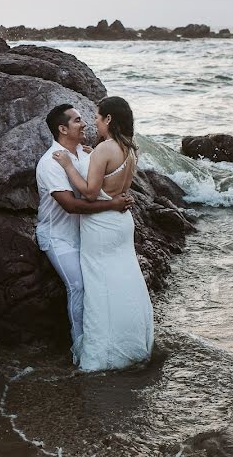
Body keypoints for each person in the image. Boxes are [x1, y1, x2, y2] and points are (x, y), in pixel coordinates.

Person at [52, 96, 154, 371]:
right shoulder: (130, 148)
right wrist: (88, 155)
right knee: (125, 279)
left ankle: (105, 356)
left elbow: (89, 191)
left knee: (100, 287)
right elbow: (113, 182)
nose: (94, 123)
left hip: (100, 225)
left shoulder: (103, 150)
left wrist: (68, 165)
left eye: (97, 117)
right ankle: (133, 344)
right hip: (121, 222)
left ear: (109, 119)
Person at [35, 104, 134, 359]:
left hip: (86, 234)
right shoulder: (51, 162)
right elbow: (70, 205)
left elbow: (102, 174)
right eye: (78, 120)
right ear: (62, 129)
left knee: (98, 286)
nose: (85, 124)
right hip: (58, 238)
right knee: (78, 286)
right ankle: (80, 347)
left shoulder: (83, 152)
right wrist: (112, 204)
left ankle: (105, 339)